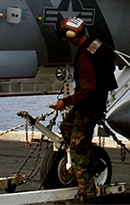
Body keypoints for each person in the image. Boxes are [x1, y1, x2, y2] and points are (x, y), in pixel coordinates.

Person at [48, 17, 117, 200]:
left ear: (71, 36)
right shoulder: (95, 44)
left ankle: (87, 195)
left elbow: (89, 88)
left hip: (88, 107)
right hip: (90, 104)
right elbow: (110, 62)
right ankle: (94, 161)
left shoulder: (85, 56)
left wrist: (66, 101)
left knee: (77, 150)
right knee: (66, 128)